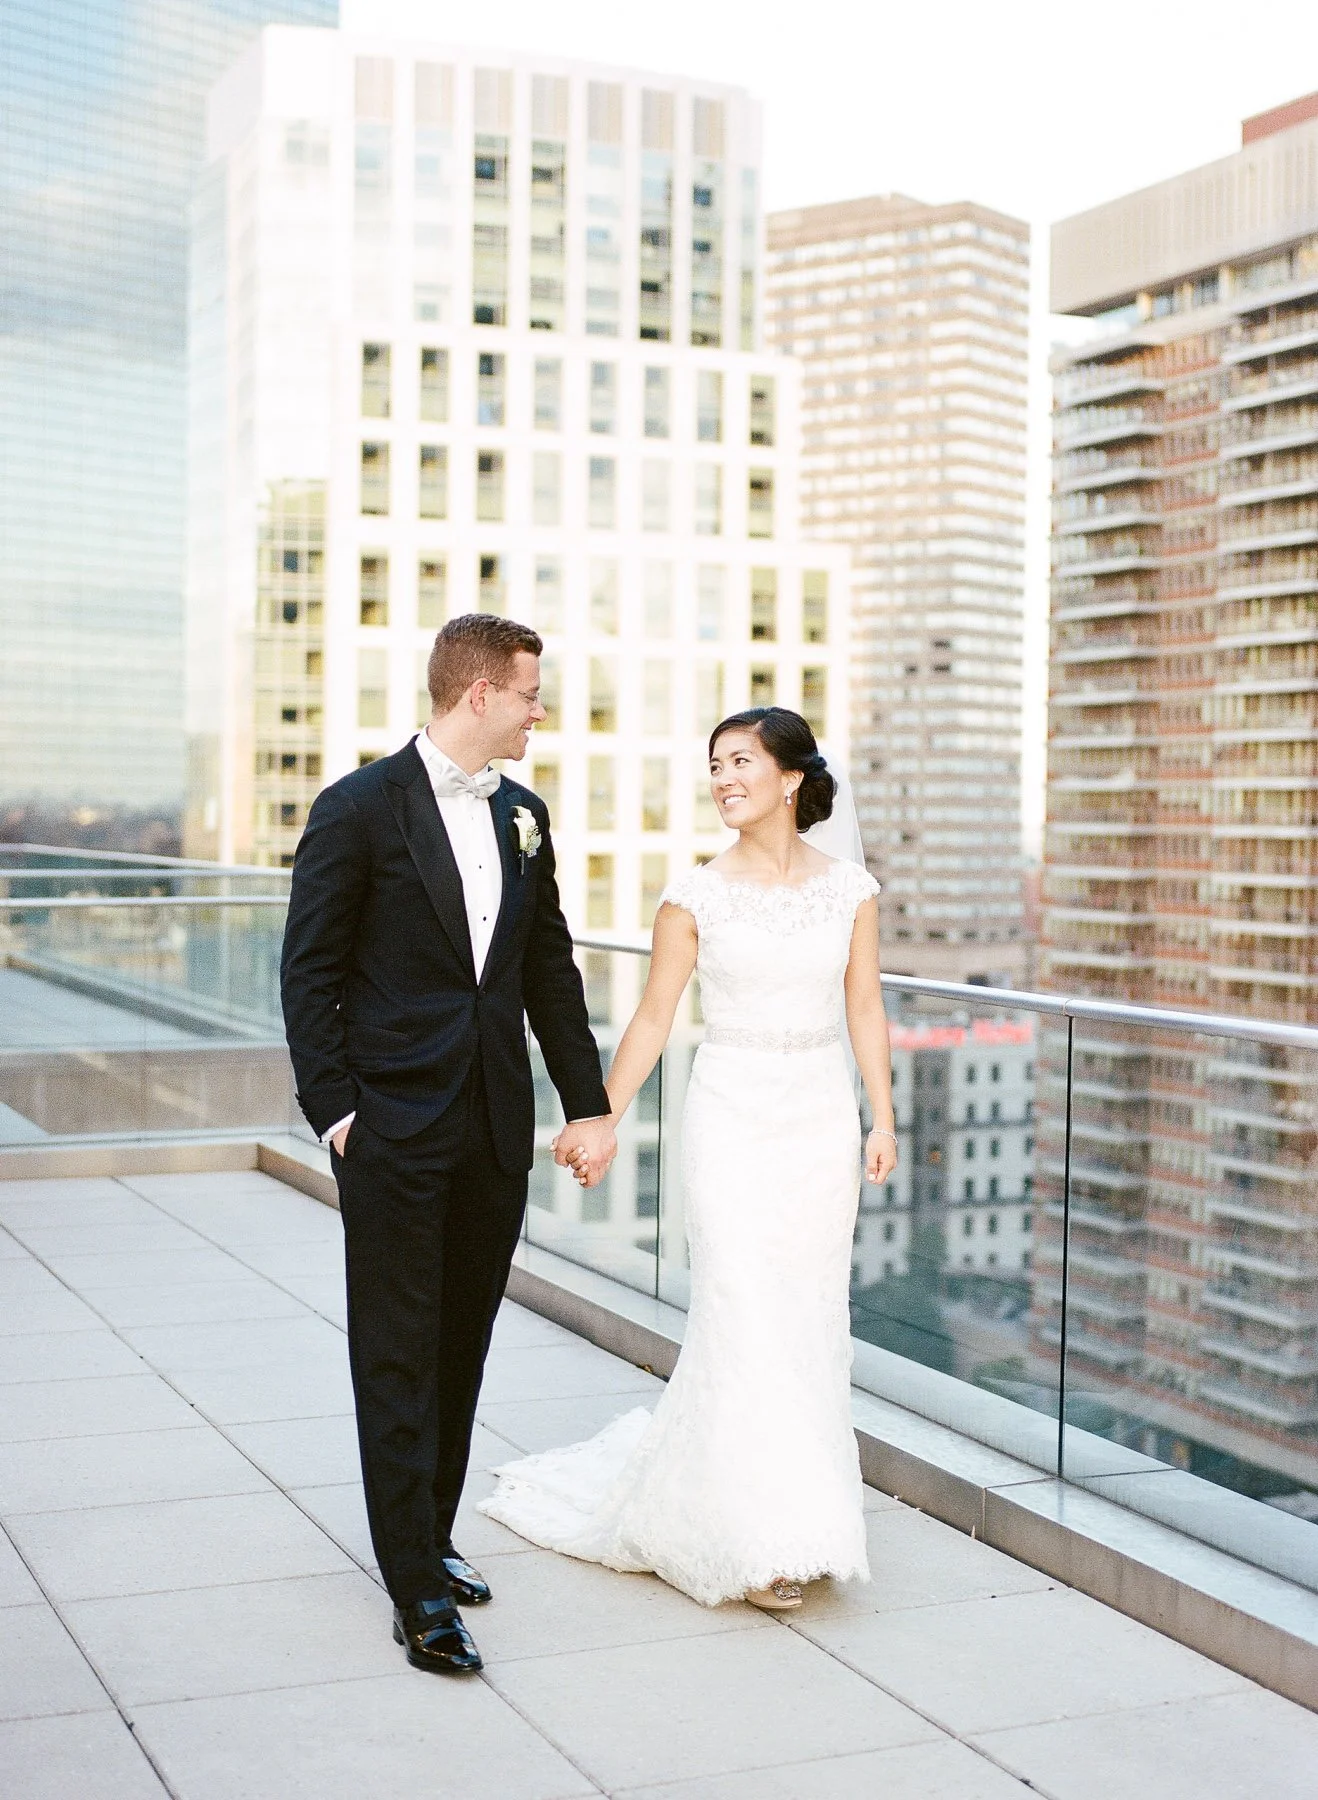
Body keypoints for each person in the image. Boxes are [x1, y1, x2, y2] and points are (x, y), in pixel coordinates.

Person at [482, 705, 898, 1610]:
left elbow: (865, 1006)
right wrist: (596, 1116)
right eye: (715, 766)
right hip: (730, 1115)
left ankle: (805, 1517)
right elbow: (653, 1018)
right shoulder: (694, 896)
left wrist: (881, 1118)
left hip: (820, 1117)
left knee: (808, 1316)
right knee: (741, 1307)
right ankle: (750, 1537)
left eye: (740, 762)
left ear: (790, 778)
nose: (722, 780)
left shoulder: (852, 891)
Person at [280, 613, 617, 1674]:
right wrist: (337, 1113)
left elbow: (547, 970)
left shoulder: (524, 813)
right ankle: (413, 1587)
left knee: (460, 1344)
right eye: (529, 693)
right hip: (387, 1128)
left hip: (490, 1128)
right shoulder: (358, 809)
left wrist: (589, 1101)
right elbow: (309, 974)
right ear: (477, 694)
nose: (539, 711)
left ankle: (431, 1533)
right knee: (395, 1350)